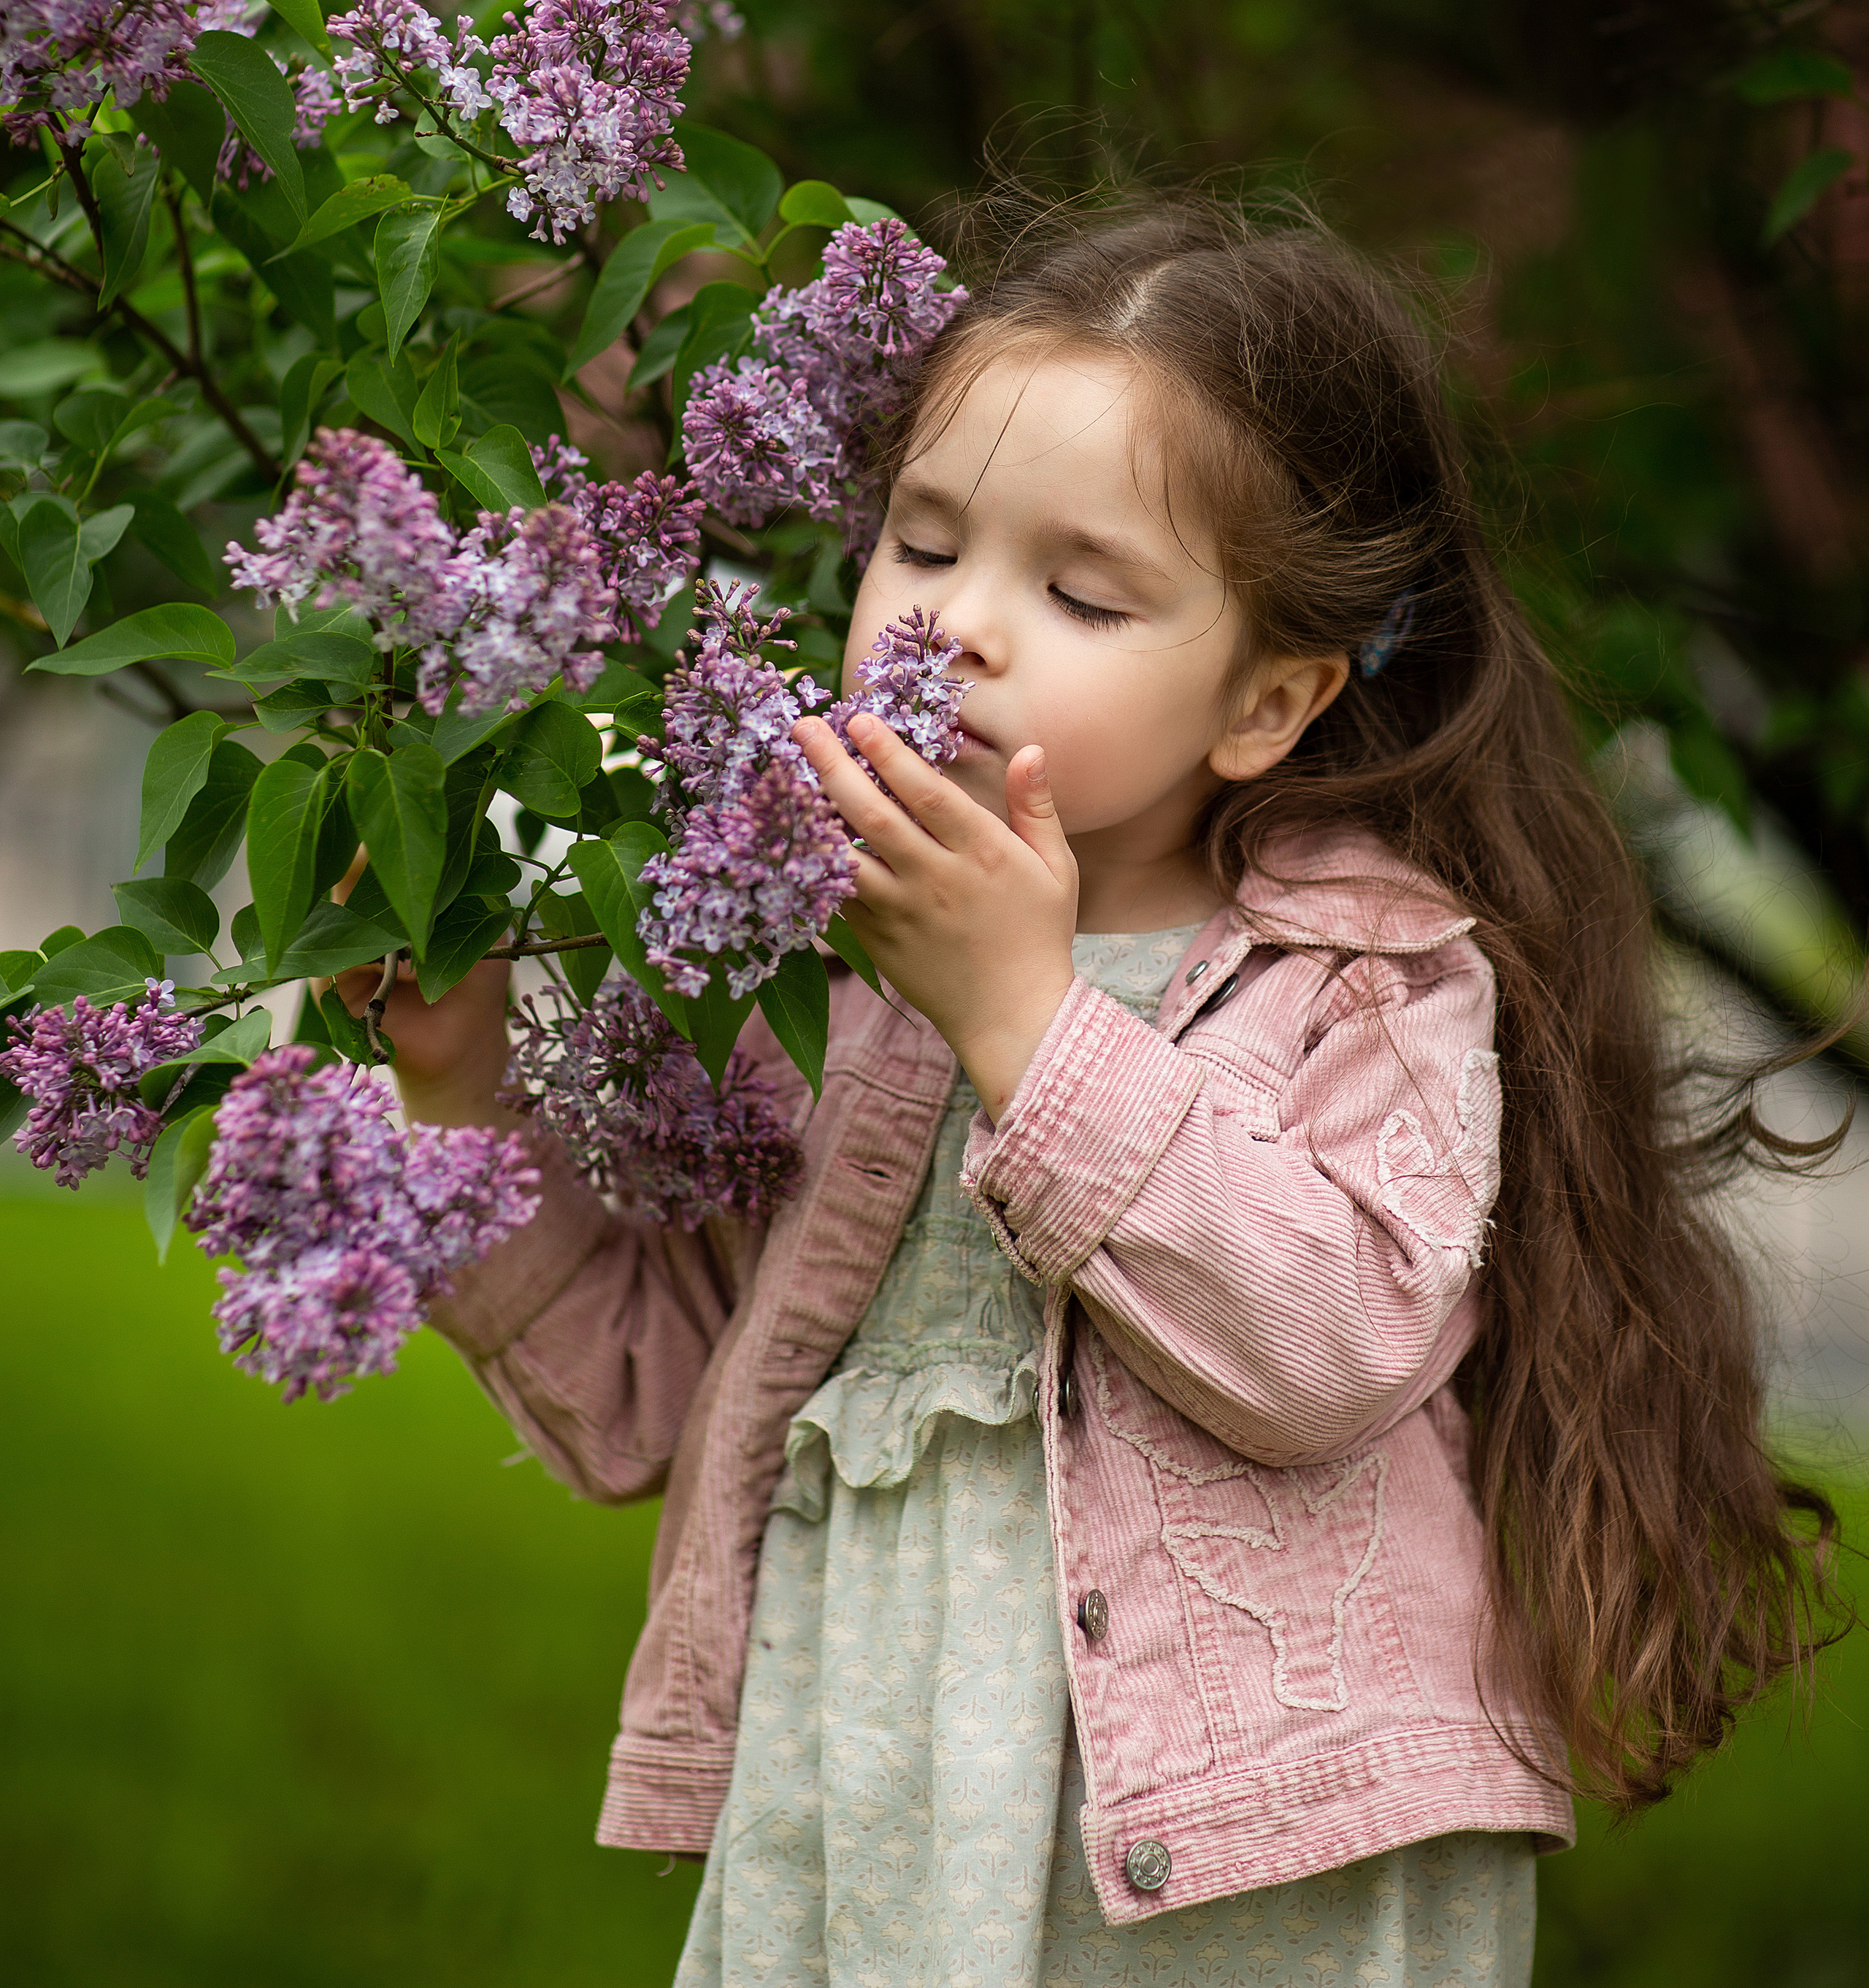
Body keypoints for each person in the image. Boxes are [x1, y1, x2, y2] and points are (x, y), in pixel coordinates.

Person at [344, 200, 1840, 1987]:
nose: (956, 628)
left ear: (1266, 699)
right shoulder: (828, 969)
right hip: (879, 1809)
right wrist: (458, 1095)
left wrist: (1024, 1016)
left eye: (1079, 591)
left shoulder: (1370, 968)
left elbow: (1328, 1344)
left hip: (1244, 1871)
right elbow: (655, 1394)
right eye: (918, 544)